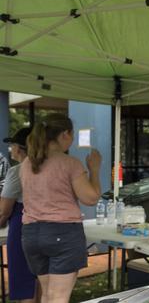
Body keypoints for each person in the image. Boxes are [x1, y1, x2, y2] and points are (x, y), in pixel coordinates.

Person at [20, 113, 102, 303]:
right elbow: (90, 198)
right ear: (65, 134)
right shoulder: (69, 163)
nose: (72, 141)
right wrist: (95, 170)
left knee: (48, 294)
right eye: (71, 136)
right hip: (62, 232)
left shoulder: (27, 163)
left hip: (31, 233)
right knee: (59, 297)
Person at [0, 128, 39, 303]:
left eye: (12, 145)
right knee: (41, 279)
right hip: (48, 227)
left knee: (24, 280)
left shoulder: (17, 171)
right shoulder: (48, 167)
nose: (11, 149)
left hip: (22, 227)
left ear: (19, 148)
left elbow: (3, 210)